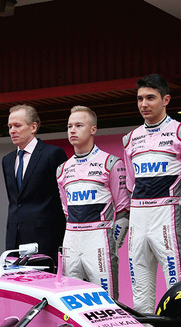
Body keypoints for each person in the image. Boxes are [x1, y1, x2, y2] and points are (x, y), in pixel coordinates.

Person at [123, 74, 181, 313]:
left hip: (167, 216)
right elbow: (130, 187)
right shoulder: (130, 138)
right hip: (138, 219)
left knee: (177, 290)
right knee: (140, 294)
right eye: (139, 99)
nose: (144, 104)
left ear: (166, 99)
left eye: (150, 98)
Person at [57, 106, 130, 298]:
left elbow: (123, 210)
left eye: (79, 125)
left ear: (93, 129)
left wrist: (114, 242)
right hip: (71, 239)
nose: (72, 130)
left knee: (106, 299)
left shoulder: (111, 163)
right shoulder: (62, 169)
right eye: (69, 126)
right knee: (71, 298)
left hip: (99, 239)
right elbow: (66, 210)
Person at [3, 104, 68, 264]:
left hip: (45, 238)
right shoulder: (7, 160)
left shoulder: (53, 154)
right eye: (10, 126)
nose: (12, 130)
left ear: (33, 127)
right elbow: (15, 201)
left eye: (17, 125)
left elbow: (63, 197)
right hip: (14, 239)